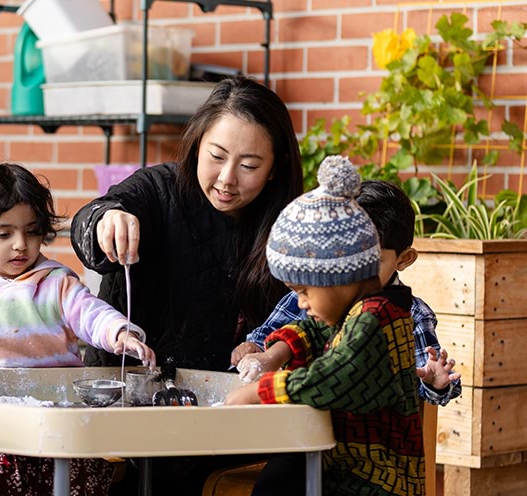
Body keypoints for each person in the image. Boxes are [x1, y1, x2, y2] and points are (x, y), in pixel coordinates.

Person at [70, 75, 303, 494]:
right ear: (196, 145)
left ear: (275, 169)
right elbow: (93, 218)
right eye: (216, 156)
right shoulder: (159, 191)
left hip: (225, 419)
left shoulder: (287, 227)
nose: (227, 179)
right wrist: (106, 219)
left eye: (249, 166)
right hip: (128, 410)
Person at [0, 163, 156, 496]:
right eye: (4, 234)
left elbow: (90, 313)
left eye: (31, 232)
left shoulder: (57, 282)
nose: (20, 244)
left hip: (57, 426)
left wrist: (119, 333)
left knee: (77, 482)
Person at [225, 156, 425, 495]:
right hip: (347, 465)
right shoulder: (358, 309)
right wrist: (277, 353)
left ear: (345, 275)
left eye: (305, 292)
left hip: (377, 480)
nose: (301, 304)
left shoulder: (378, 318)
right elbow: (315, 331)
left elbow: (334, 378)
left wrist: (261, 392)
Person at [232, 179, 463, 405]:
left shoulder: (402, 314)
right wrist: (257, 349)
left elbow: (339, 374)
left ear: (404, 259)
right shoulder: (312, 294)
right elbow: (288, 334)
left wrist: (435, 383)